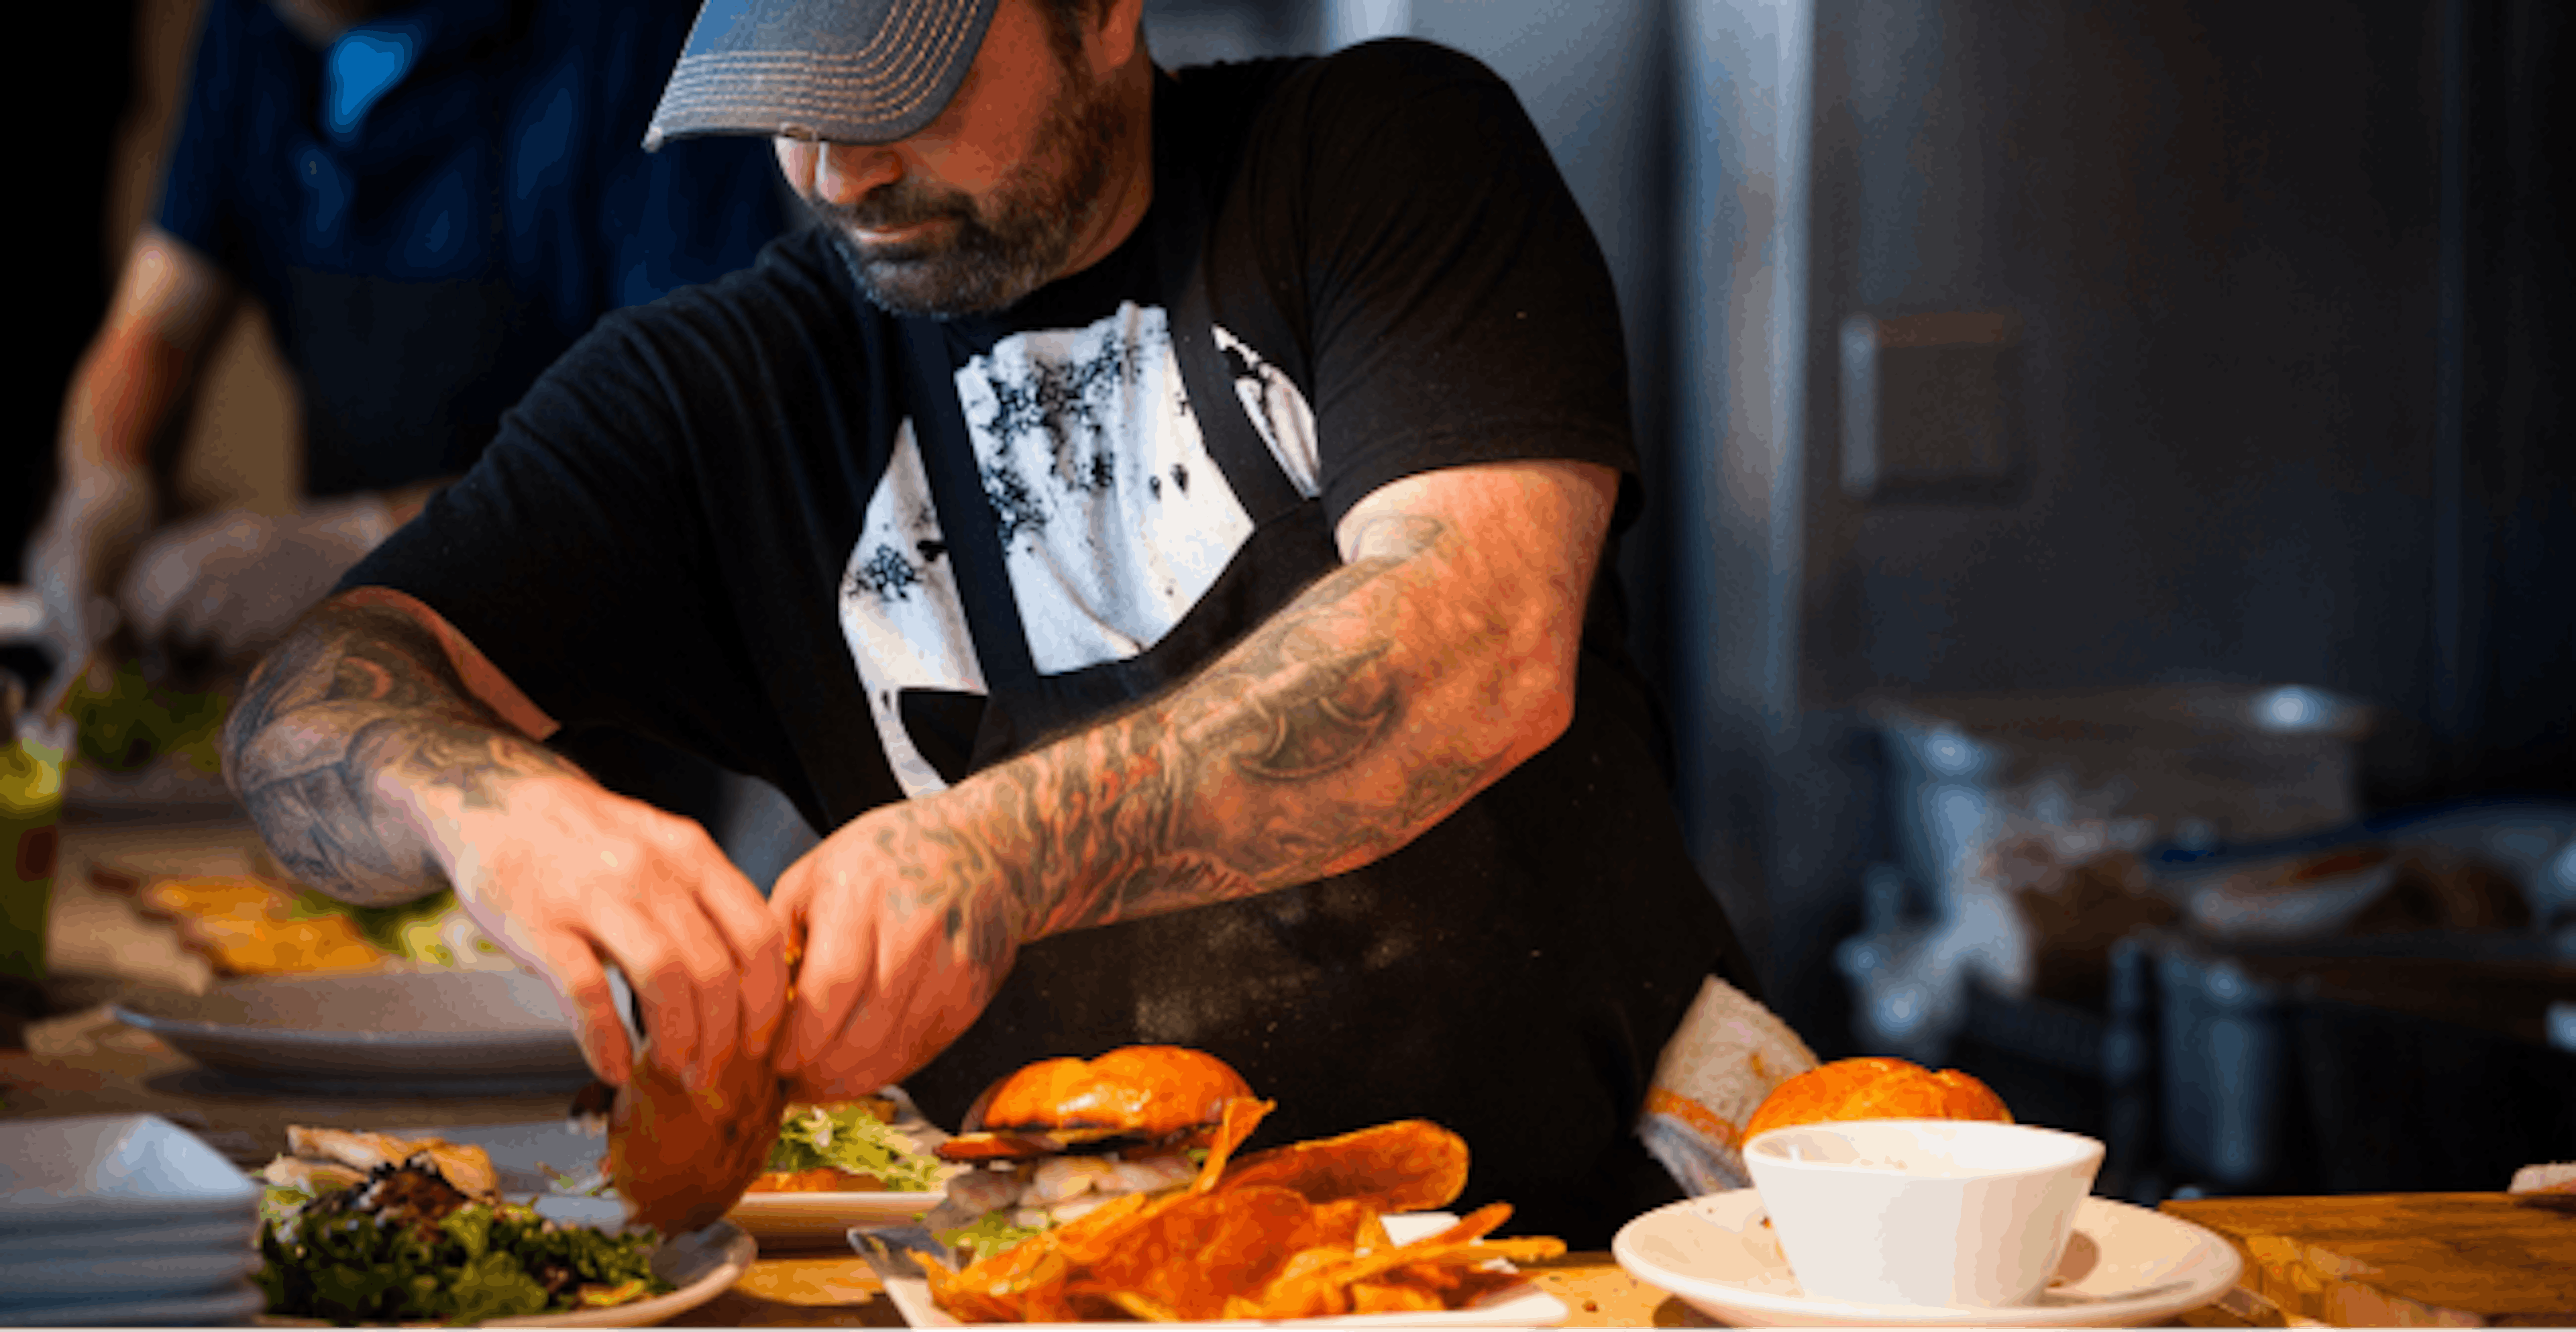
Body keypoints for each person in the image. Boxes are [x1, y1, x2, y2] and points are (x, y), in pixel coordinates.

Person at [221, 0, 1757, 1245]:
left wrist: (997, 846)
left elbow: (1470, 641)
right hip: (1054, 1265)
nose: (835, 169)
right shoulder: (724, 394)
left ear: (1101, 14)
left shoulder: (1373, 161)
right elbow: (309, 698)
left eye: (898, 83)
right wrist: (487, 804)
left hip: (1581, 1234)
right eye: (785, 96)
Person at [23, 0, 786, 686]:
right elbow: (154, 328)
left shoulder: (639, 41)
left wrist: (366, 542)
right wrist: (103, 474)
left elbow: (683, 443)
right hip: (365, 679)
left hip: (595, 690)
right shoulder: (254, 29)